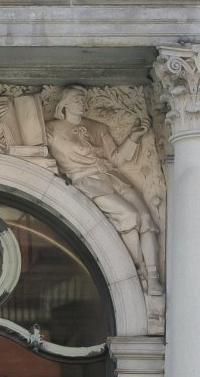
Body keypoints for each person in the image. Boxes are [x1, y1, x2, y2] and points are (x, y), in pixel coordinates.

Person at [46, 85, 163, 295]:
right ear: (63, 104)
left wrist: (134, 137)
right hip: (87, 183)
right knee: (129, 216)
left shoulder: (97, 127)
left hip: (114, 178)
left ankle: (153, 277)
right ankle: (136, 273)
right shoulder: (51, 129)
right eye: (76, 100)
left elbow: (116, 158)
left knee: (146, 218)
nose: (82, 103)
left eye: (83, 99)